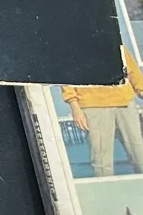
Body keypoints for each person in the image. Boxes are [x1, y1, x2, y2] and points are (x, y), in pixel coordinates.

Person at [61, 44, 143, 177]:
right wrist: (75, 107)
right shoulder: (71, 48)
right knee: (101, 161)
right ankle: (106, 189)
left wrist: (141, 90)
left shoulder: (116, 43)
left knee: (139, 152)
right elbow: (67, 79)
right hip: (93, 107)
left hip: (125, 102)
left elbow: (133, 71)